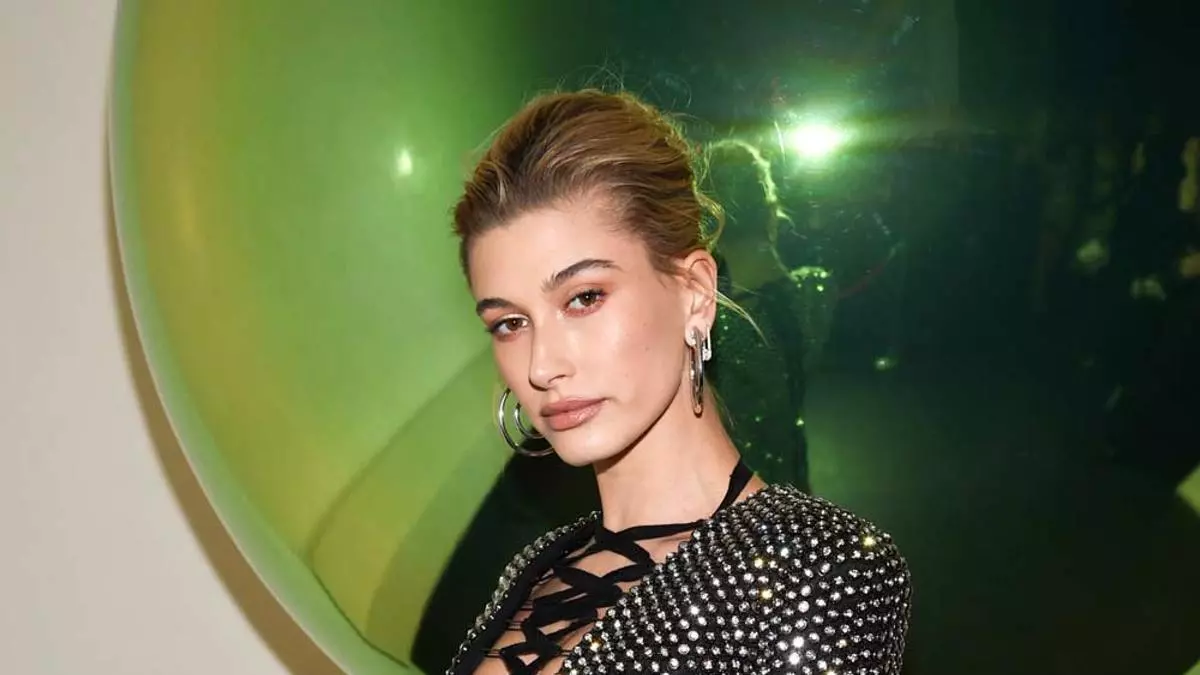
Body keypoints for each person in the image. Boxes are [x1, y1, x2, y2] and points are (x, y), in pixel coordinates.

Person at [443, 89, 911, 675]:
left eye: (584, 298)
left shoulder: (817, 570)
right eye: (510, 324)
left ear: (695, 293)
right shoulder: (535, 566)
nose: (541, 366)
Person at [704, 138, 812, 491]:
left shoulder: (698, 318)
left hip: (719, 492)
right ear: (770, 210)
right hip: (790, 485)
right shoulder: (812, 294)